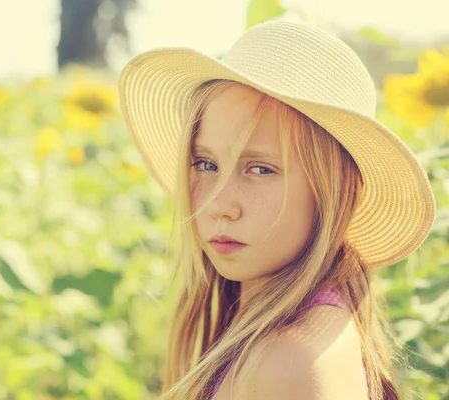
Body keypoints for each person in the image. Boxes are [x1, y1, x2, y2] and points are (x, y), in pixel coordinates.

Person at [118, 20, 436, 400]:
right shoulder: (284, 335)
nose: (220, 205)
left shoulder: (292, 362)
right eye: (205, 164)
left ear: (334, 194)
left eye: (261, 169)